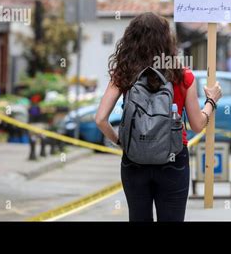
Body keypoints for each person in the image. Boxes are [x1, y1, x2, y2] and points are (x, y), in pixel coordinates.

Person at [95, 12, 222, 222]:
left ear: (130, 40)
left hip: (134, 158)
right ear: (166, 40)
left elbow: (100, 119)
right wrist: (211, 102)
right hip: (173, 159)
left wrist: (121, 142)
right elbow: (197, 125)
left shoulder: (123, 73)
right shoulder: (182, 75)